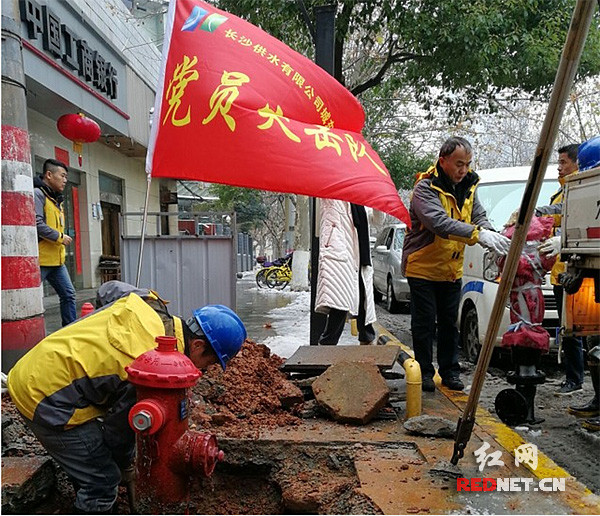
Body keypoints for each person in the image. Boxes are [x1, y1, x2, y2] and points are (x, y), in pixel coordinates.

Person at [6, 281, 247, 514]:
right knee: (102, 481)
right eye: (209, 363)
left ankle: (84, 480)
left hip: (40, 364)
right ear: (196, 345)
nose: (202, 372)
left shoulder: (149, 305)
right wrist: (124, 465)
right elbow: (117, 432)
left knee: (95, 461)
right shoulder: (149, 370)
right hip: (44, 396)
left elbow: (109, 289)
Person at [402, 137, 510, 392]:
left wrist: (490, 233)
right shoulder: (425, 189)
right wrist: (477, 235)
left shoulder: (469, 185)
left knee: (450, 323)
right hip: (423, 267)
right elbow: (439, 223)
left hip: (451, 269)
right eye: (459, 164)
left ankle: (450, 372)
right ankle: (425, 373)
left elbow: (478, 215)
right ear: (443, 161)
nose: (464, 170)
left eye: (468, 164)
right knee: (424, 322)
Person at [536, 144, 585, 395]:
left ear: (579, 163)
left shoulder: (583, 191)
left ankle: (576, 378)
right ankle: (571, 375)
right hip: (560, 273)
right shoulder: (562, 192)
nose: (559, 167)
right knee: (566, 329)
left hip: (577, 272)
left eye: (564, 162)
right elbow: (554, 214)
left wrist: (562, 241)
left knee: (575, 328)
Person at [315, 200, 377, 345]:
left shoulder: (359, 202)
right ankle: (325, 347)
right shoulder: (331, 199)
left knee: (363, 303)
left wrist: (377, 201)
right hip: (339, 258)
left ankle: (366, 343)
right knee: (339, 305)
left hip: (359, 260)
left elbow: (377, 221)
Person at [34, 159, 76, 326]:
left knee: (69, 295)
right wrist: (60, 237)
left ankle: (70, 330)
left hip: (57, 261)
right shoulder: (38, 194)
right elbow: (37, 224)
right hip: (41, 261)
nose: (65, 180)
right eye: (63, 176)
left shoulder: (56, 199)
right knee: (30, 296)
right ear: (49, 175)